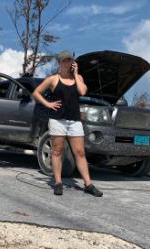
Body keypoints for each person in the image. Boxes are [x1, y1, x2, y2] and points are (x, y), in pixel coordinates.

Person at [32, 50, 103, 197]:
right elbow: (36, 93)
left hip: (74, 121)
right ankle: (58, 183)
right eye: (64, 60)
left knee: (80, 153)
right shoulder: (53, 79)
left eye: (69, 60)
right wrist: (48, 104)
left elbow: (82, 92)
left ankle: (88, 184)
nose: (67, 62)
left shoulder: (78, 78)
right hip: (58, 120)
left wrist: (76, 74)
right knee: (57, 151)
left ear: (72, 62)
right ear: (59, 62)